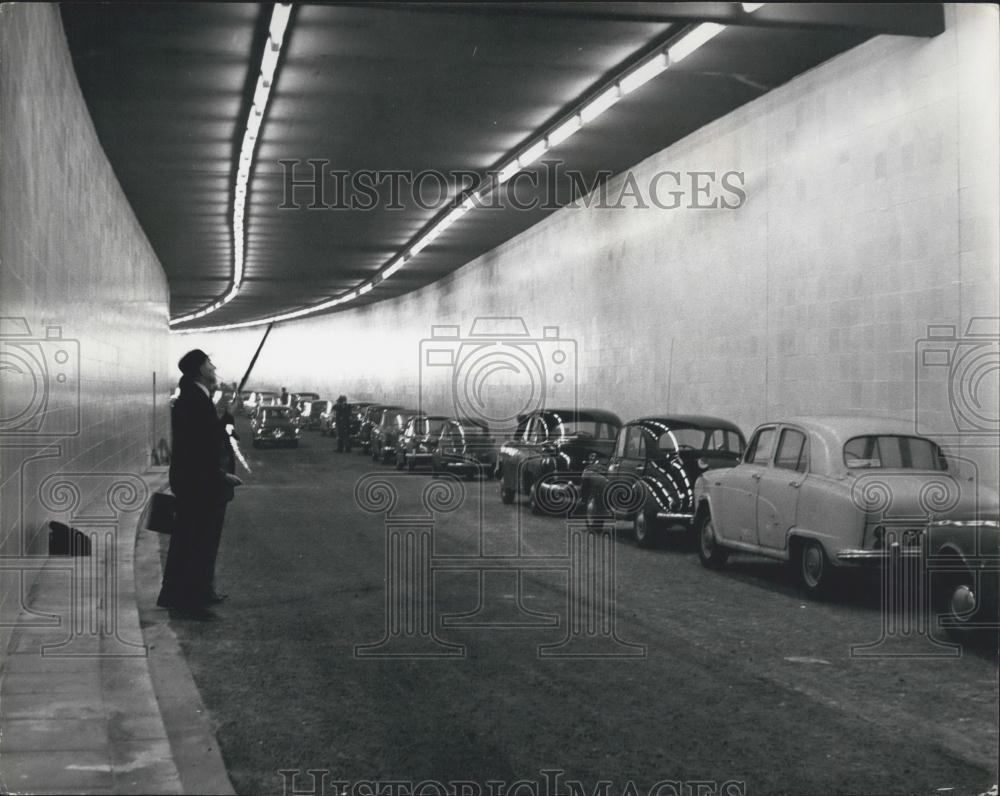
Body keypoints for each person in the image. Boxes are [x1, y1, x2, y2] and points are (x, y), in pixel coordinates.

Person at [157, 349, 242, 618]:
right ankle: (187, 603)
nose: (214, 367)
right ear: (199, 370)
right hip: (198, 483)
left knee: (196, 540)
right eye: (209, 363)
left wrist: (225, 415)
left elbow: (206, 438)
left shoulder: (194, 397)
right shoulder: (195, 400)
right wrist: (221, 475)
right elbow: (201, 448)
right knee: (194, 541)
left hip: (195, 481)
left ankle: (197, 592)